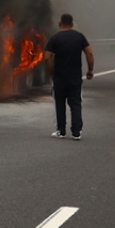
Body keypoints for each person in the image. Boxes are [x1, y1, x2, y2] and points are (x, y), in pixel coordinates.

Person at [43, 13, 94, 141]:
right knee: (76, 103)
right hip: (75, 77)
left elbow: (47, 58)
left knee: (59, 104)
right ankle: (76, 132)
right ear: (72, 24)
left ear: (60, 24)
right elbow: (89, 53)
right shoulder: (79, 37)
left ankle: (61, 131)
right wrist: (90, 70)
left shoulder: (54, 39)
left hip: (59, 77)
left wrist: (51, 73)